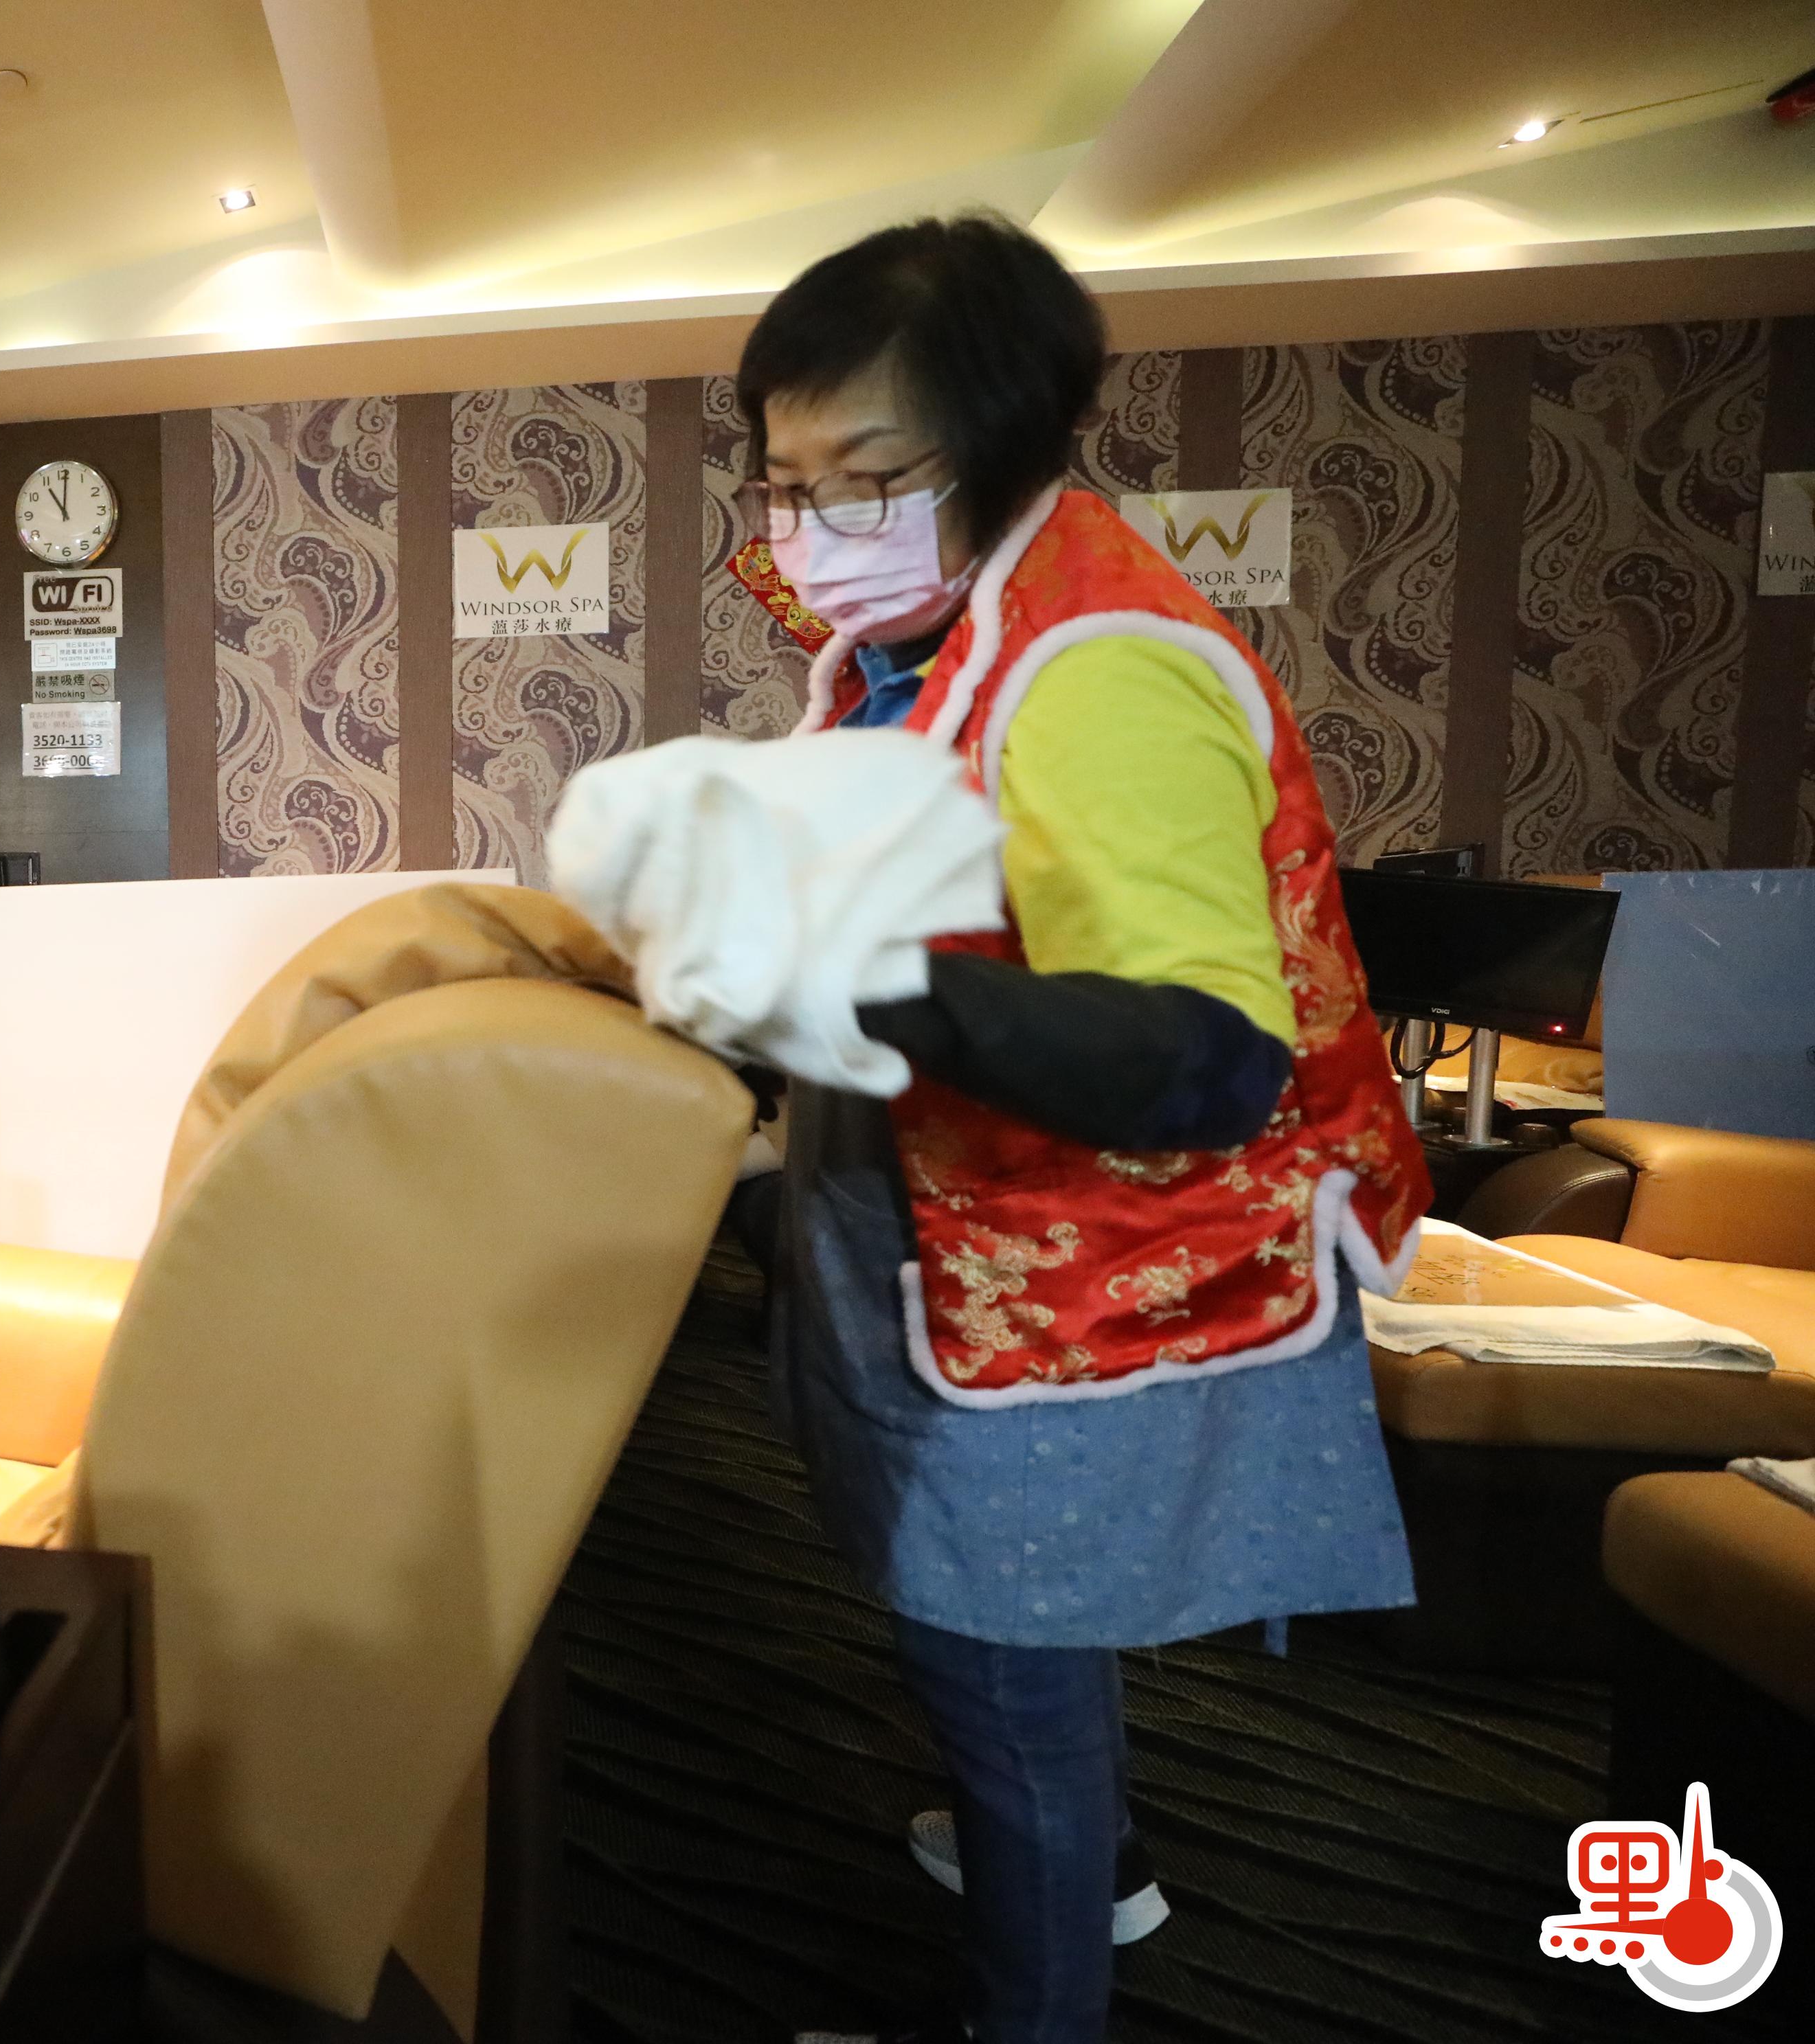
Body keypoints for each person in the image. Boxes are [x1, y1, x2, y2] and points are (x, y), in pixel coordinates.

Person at [732, 218, 1430, 2044]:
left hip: (1074, 1263)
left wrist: (851, 975)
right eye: (790, 482)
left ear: (1007, 440)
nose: (818, 525)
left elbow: (1206, 1056)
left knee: (1003, 1656)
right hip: (945, 1220)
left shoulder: (1101, 663)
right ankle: (1090, 1862)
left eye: (870, 476)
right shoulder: (921, 638)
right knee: (1017, 1623)